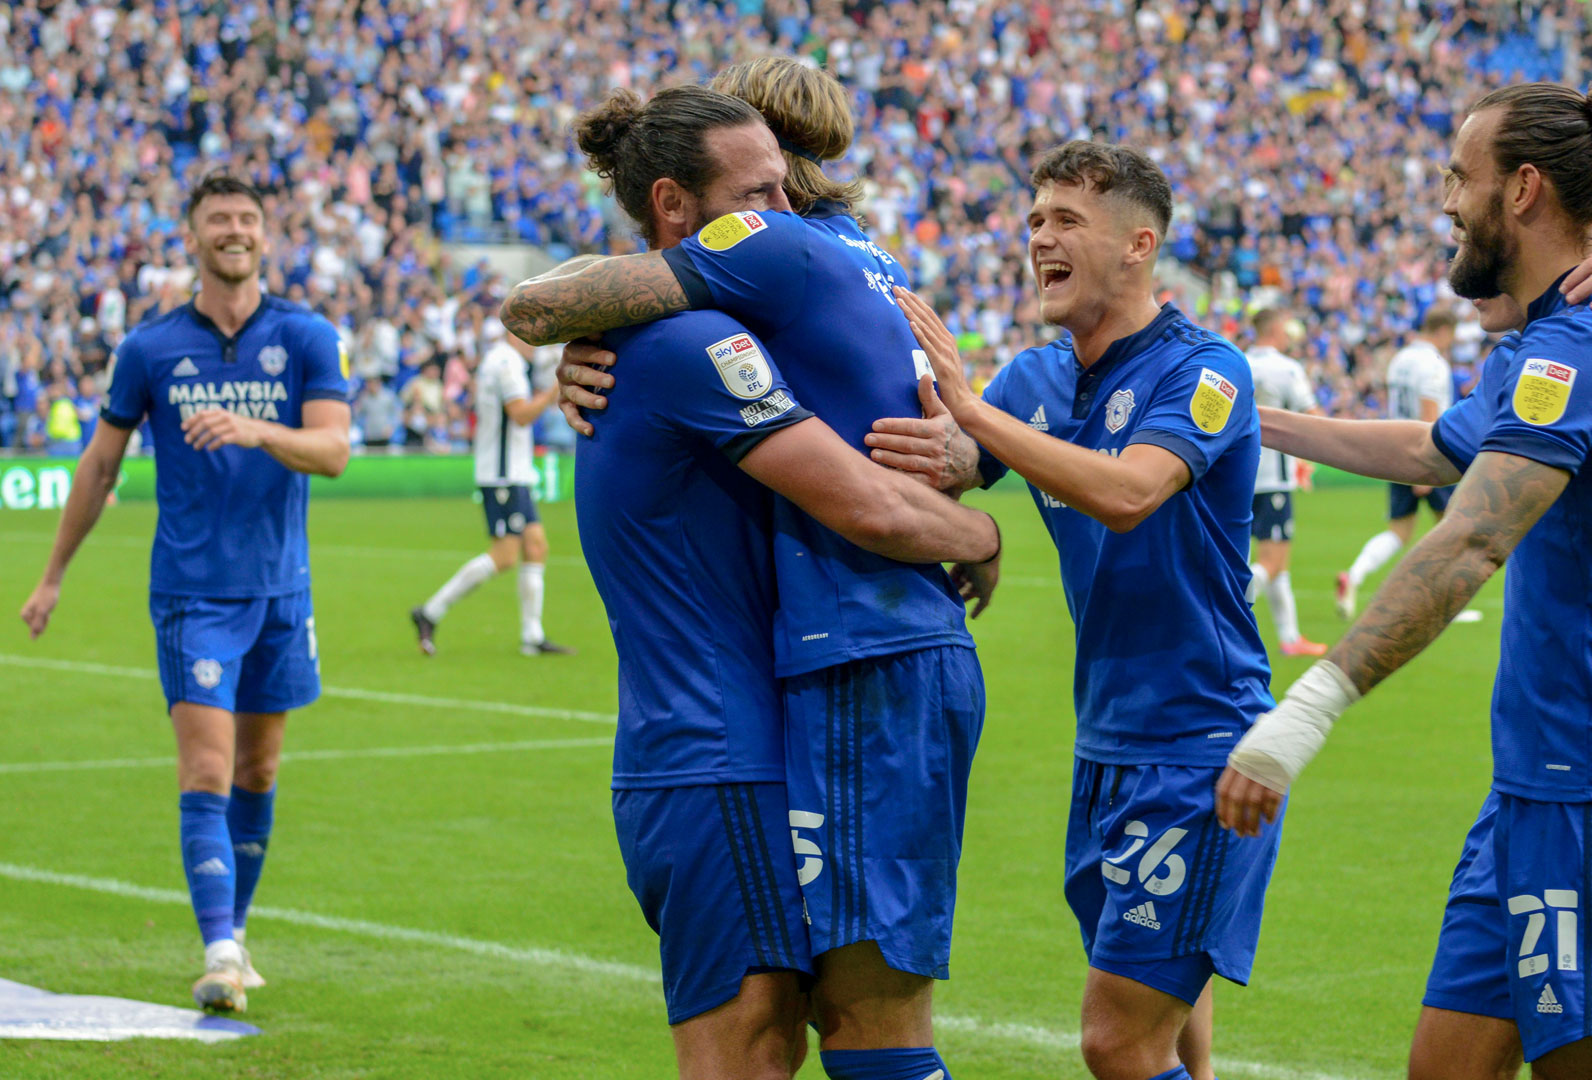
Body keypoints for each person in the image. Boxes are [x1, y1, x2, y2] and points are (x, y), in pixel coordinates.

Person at [1217, 82, 1592, 1079]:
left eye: (1460, 176)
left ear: (1523, 190)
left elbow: (1470, 540)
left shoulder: (1579, 348)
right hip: (1579, 776)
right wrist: (1252, 421)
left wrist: (1305, 710)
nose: (1446, 199)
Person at [506, 61, 995, 1080]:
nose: (784, 213)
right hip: (715, 749)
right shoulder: (700, 335)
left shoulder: (709, 316)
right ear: (676, 205)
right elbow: (863, 498)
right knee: (772, 1051)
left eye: (786, 186)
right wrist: (981, 532)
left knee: (816, 1035)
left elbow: (548, 303)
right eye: (757, 196)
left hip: (764, 728)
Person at [883, 141, 1278, 1080]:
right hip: (1106, 737)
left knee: (1115, 1042)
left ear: (1139, 244)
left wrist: (977, 418)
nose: (1039, 239)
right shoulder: (1035, 378)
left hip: (1198, 737)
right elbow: (948, 463)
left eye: (1066, 221)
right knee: (1160, 995)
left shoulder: (1205, 369)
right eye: (1034, 221)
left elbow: (1131, 491)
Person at [17, 174, 351, 1013]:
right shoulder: (150, 348)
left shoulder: (306, 335)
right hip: (193, 594)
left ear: (265, 236)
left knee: (261, 768)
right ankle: (219, 949)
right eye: (218, 221)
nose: (234, 231)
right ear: (192, 238)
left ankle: (234, 941)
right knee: (206, 767)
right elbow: (99, 466)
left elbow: (334, 450)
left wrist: (255, 429)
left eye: (246, 219)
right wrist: (54, 574)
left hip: (284, 592)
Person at [411, 319, 571, 657]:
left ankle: (532, 636)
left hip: (515, 471)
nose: (536, 343)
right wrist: (553, 391)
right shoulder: (505, 363)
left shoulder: (502, 360)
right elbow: (521, 415)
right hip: (502, 474)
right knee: (504, 556)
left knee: (536, 545)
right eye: (532, 336)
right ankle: (430, 611)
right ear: (516, 333)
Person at [1334, 307, 1456, 620]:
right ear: (1443, 331)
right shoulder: (1432, 364)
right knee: (1453, 529)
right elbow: (1429, 412)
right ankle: (1436, 601)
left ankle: (1355, 574)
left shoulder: (1400, 359)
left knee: (1398, 532)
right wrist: (1427, 468)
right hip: (1429, 454)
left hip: (1397, 450)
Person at [1243, 308, 1326, 658]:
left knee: (1277, 563)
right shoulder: (1287, 368)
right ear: (1277, 329)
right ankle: (1222, 605)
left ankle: (1290, 638)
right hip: (1273, 477)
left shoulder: (1237, 362)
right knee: (1273, 560)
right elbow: (1312, 417)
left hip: (1240, 476)